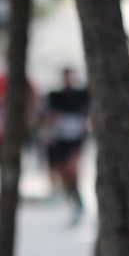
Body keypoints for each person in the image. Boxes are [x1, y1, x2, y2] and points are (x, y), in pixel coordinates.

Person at [42, 67, 90, 224]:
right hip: (60, 139)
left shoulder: (81, 95)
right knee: (64, 173)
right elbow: (49, 116)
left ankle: (78, 202)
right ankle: (74, 199)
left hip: (76, 139)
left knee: (72, 169)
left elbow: (87, 114)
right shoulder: (55, 96)